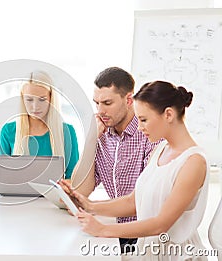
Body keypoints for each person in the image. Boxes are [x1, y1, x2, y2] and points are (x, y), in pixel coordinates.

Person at [66, 81, 209, 259]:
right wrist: (89, 206)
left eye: (143, 120)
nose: (140, 127)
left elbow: (160, 224)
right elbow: (133, 202)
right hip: (148, 251)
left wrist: (103, 229)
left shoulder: (193, 162)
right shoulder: (160, 150)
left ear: (168, 115)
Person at [67, 67, 158, 251]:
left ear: (129, 100)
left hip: (144, 235)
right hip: (117, 231)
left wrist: (92, 208)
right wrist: (91, 139)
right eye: (97, 103)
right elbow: (79, 190)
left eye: (107, 103)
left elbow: (144, 201)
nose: (100, 111)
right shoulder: (103, 135)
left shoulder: (150, 135)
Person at [0, 71, 79, 185]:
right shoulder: (8, 131)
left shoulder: (67, 132)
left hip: (54, 201)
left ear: (51, 99)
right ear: (22, 99)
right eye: (29, 100)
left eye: (42, 99)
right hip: (18, 200)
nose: (35, 106)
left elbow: (74, 177)